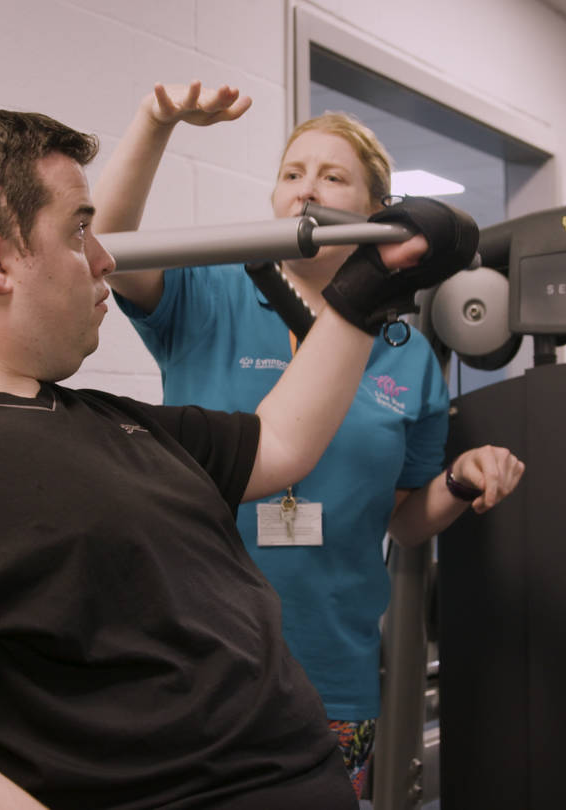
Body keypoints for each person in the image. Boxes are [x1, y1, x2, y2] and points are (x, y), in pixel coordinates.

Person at [0, 108, 467, 810]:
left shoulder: (111, 421)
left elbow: (281, 444)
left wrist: (368, 288)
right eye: (80, 232)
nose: (107, 258)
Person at [94, 82, 525, 795]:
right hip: (193, 657)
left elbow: (405, 520)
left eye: (332, 176)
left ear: (378, 213)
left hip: (331, 671)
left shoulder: (405, 351)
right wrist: (155, 121)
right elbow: (107, 247)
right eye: (291, 173)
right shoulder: (211, 294)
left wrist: (458, 480)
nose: (306, 189)